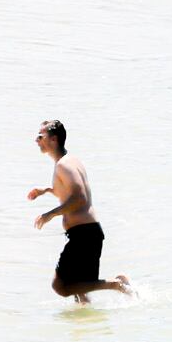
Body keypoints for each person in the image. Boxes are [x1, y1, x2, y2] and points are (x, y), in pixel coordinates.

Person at [29, 120, 132, 304]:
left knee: (60, 286)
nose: (36, 140)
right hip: (88, 233)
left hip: (83, 235)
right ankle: (84, 319)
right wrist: (46, 190)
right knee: (79, 288)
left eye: (40, 136)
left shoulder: (64, 165)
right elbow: (69, 192)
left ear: (54, 139)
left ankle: (117, 284)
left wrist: (49, 214)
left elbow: (79, 198)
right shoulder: (69, 161)